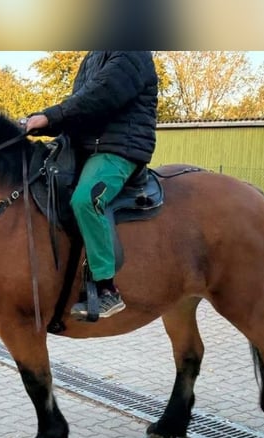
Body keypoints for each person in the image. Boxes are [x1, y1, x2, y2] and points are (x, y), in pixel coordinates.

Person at [25, 51, 158, 319]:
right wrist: (45, 125)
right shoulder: (94, 56)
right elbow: (79, 105)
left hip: (119, 148)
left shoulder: (133, 52)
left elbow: (102, 96)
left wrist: (50, 116)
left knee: (86, 199)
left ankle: (107, 289)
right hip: (85, 146)